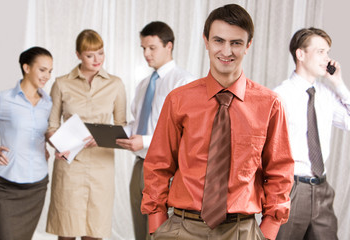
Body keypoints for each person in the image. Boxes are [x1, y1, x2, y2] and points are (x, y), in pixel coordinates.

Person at [141, 4, 294, 240]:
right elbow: (158, 166)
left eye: (236, 43)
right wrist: (157, 225)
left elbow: (279, 172)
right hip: (182, 228)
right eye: (218, 40)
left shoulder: (270, 104)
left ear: (248, 45)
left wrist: (269, 231)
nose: (226, 50)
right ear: (206, 41)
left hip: (241, 230)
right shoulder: (178, 100)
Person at [116, 21, 195, 240]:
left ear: (168, 46)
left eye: (152, 48)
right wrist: (115, 133)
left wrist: (146, 141)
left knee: (162, 232)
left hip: (166, 168)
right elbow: (138, 122)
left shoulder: (183, 81)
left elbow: (185, 130)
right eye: (143, 48)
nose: (146, 54)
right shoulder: (143, 84)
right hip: (140, 166)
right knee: (140, 230)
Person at [45, 29, 127, 240]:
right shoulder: (61, 83)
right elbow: (52, 126)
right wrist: (59, 145)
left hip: (101, 168)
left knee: (94, 231)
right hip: (70, 166)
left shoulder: (115, 84)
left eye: (100, 53)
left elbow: (122, 126)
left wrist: (101, 137)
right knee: (66, 231)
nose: (97, 59)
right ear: (78, 54)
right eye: (90, 55)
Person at [274, 28, 350, 240]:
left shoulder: (326, 95)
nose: (327, 59)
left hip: (322, 190)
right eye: (320, 52)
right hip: (292, 189)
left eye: (327, 52)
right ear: (300, 54)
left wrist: (339, 84)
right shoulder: (280, 95)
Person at [0, 46, 53, 240]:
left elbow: (47, 134)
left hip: (37, 186)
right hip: (5, 187)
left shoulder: (48, 103)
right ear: (26, 68)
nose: (47, 76)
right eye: (42, 70)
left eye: (50, 71)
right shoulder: (4, 99)